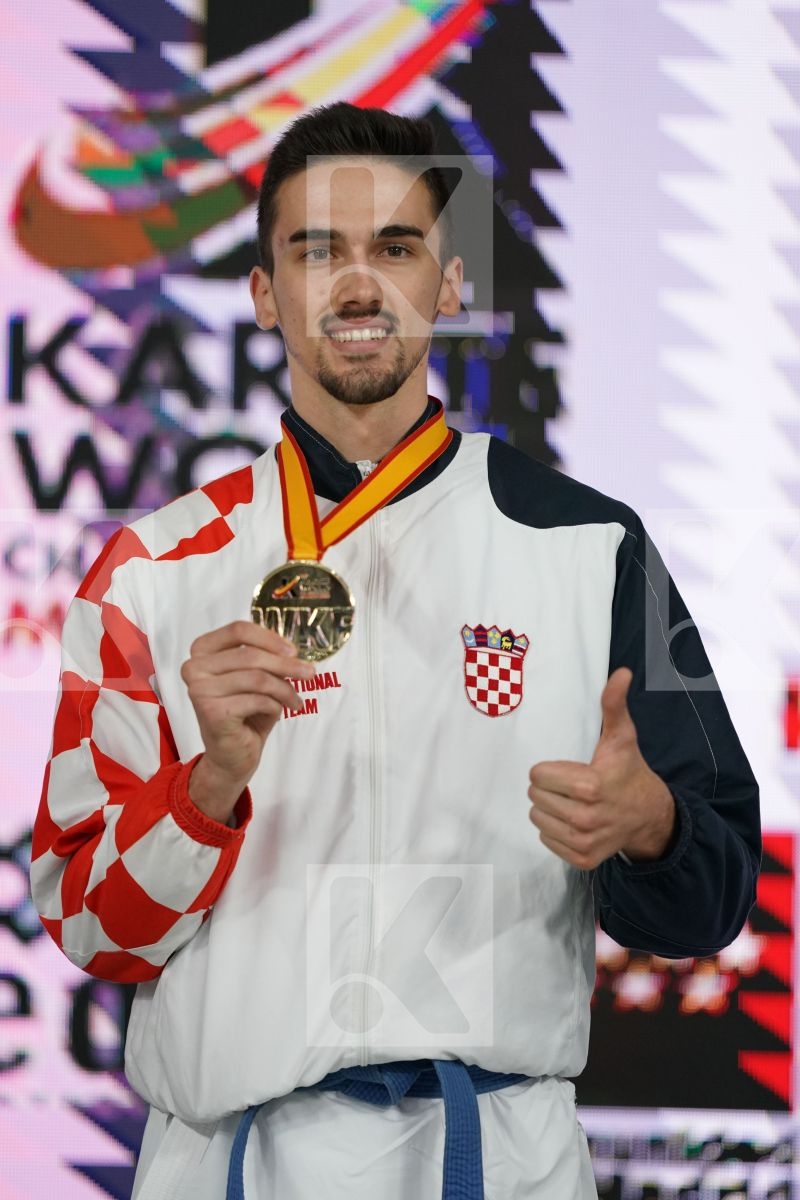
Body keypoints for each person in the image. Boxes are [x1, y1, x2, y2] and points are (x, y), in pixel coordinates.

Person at [31, 103, 761, 1200]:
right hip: (231, 1163)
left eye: (395, 247)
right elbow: (88, 927)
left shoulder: (586, 544)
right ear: (265, 294)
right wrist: (206, 787)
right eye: (316, 249)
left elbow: (716, 893)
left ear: (449, 284)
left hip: (495, 1161)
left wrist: (648, 829)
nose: (357, 284)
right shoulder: (152, 569)